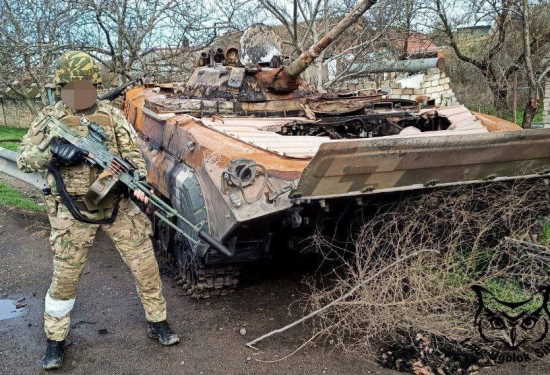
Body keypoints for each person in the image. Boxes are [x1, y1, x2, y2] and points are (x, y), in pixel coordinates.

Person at [17, 51, 179, 371]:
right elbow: (24, 160)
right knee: (65, 278)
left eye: (84, 87)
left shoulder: (113, 115)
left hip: (117, 205)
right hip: (71, 209)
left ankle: (159, 322)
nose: (78, 94)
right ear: (61, 87)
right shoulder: (49, 119)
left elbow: (134, 156)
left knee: (146, 266)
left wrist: (131, 181)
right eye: (71, 87)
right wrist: (54, 154)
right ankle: (55, 340)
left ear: (95, 85)